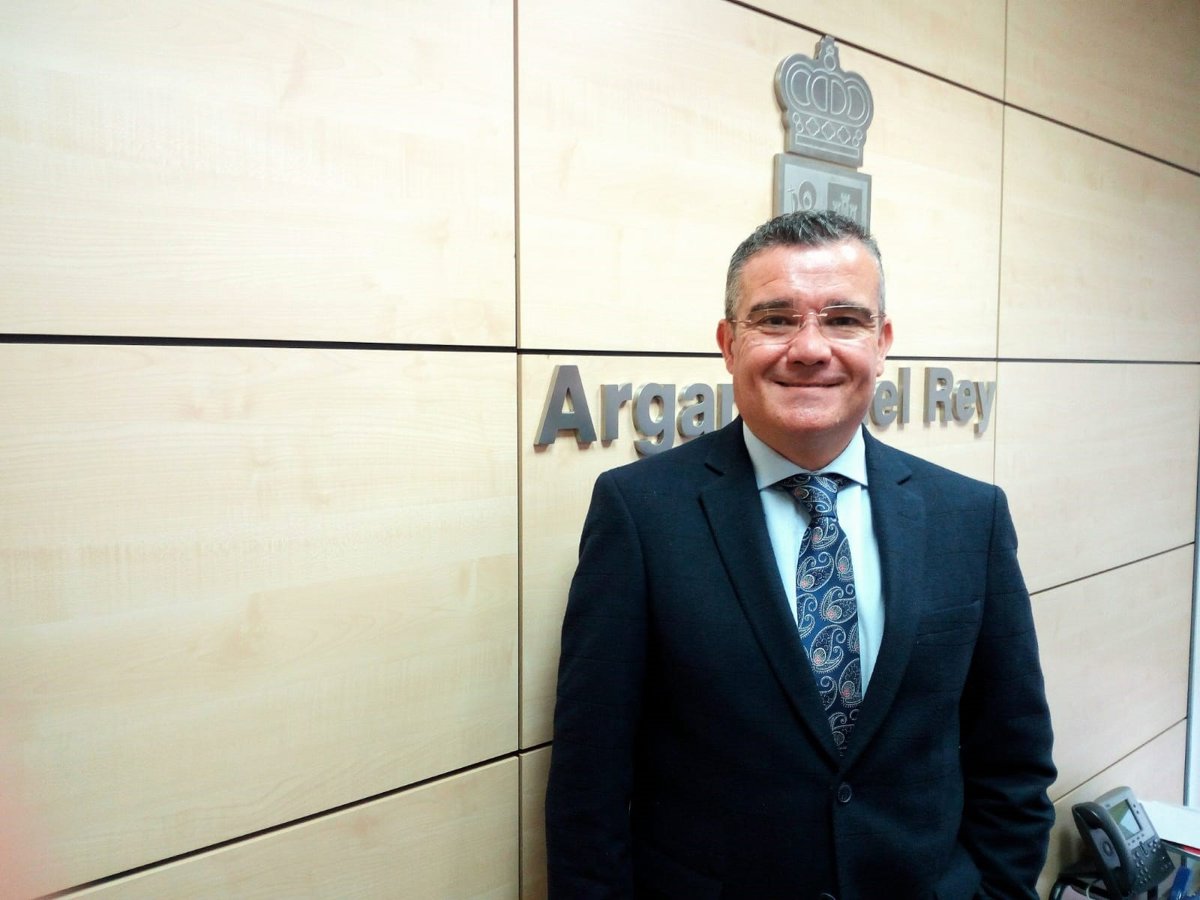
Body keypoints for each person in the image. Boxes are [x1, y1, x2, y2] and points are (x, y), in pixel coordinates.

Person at [544, 210, 1056, 899]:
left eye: (844, 320)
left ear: (882, 343)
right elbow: (590, 785)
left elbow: (1013, 758)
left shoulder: (970, 516)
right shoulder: (639, 514)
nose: (810, 348)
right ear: (728, 344)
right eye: (776, 319)